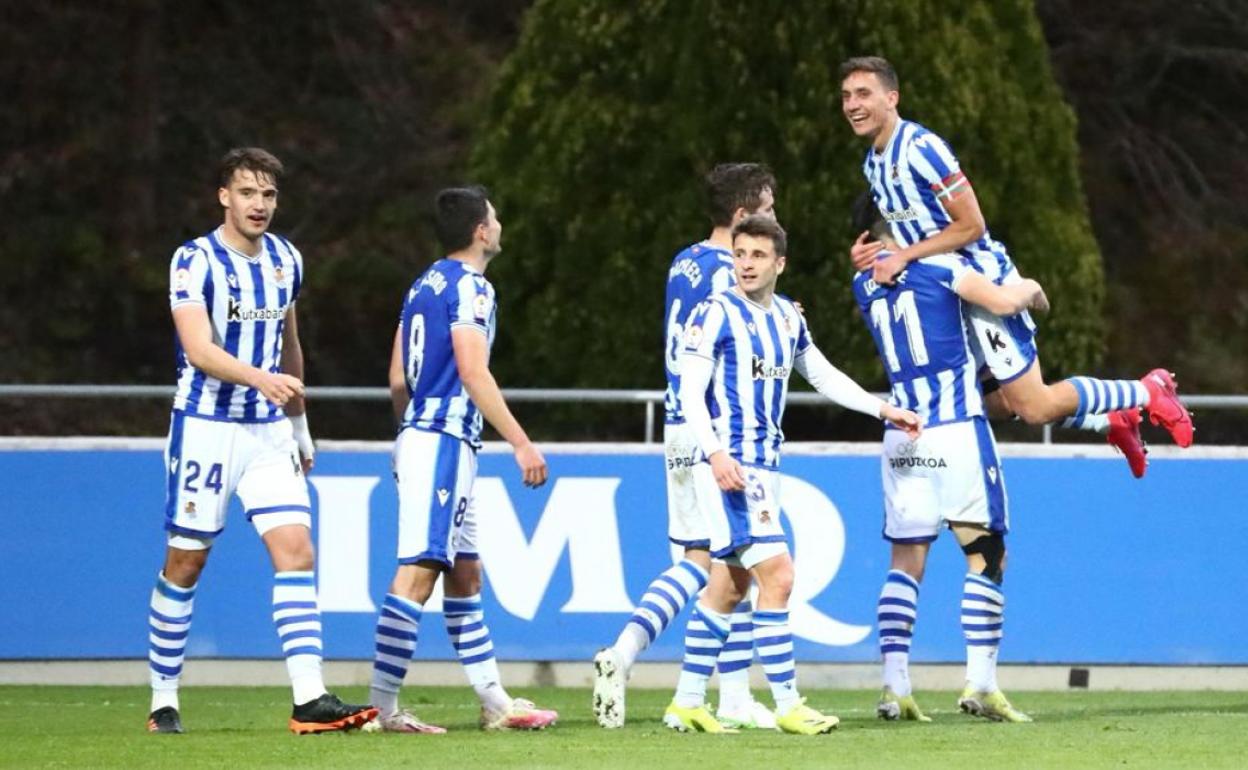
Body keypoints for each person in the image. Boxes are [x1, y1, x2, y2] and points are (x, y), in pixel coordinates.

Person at [839, 55, 1193, 477]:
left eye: (864, 93)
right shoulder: (872, 163)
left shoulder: (921, 149)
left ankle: (1147, 390)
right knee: (993, 404)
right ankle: (1109, 418)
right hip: (948, 293)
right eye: (845, 96)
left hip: (983, 283)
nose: (852, 104)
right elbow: (912, 232)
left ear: (892, 97)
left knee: (1034, 406)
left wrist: (902, 256)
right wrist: (877, 253)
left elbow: (971, 225)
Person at [663, 215, 922, 735]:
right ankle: (787, 704)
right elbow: (689, 391)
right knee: (778, 576)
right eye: (740, 255)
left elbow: (822, 373)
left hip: (765, 465)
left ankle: (687, 701)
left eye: (758, 256)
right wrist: (714, 454)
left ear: (780, 263)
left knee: (729, 586)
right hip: (730, 465)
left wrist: (882, 409)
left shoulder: (786, 318)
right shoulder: (714, 313)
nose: (746, 265)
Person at [147, 147, 376, 735]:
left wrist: (299, 422)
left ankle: (309, 700)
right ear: (223, 196)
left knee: (297, 551)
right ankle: (163, 698)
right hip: (206, 428)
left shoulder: (286, 259)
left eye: (269, 195)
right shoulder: (193, 261)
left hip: (269, 431)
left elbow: (289, 345)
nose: (259, 205)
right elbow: (199, 349)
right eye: (248, 193)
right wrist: (261, 378)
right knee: (186, 562)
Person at [365, 185, 558, 734]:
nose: (498, 225)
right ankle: (381, 709)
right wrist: (520, 440)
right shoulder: (473, 288)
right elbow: (474, 372)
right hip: (444, 441)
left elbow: (398, 377)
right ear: (480, 230)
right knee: (420, 572)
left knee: (465, 574)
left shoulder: (423, 283)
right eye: (494, 217)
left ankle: (495, 702)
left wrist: (408, 433)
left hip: (429, 437)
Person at [594, 163, 779, 730]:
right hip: (714, 430)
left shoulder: (684, 260)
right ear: (744, 213)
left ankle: (626, 655)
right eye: (768, 207)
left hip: (678, 425)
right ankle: (731, 697)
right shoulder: (733, 271)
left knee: (702, 562)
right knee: (739, 560)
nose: (775, 217)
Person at [852, 200, 1049, 723]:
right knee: (986, 555)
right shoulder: (945, 267)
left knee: (905, 565)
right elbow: (1005, 303)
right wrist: (1031, 289)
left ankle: (895, 688)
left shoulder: (864, 285)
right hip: (956, 429)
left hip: (902, 435)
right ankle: (980, 684)